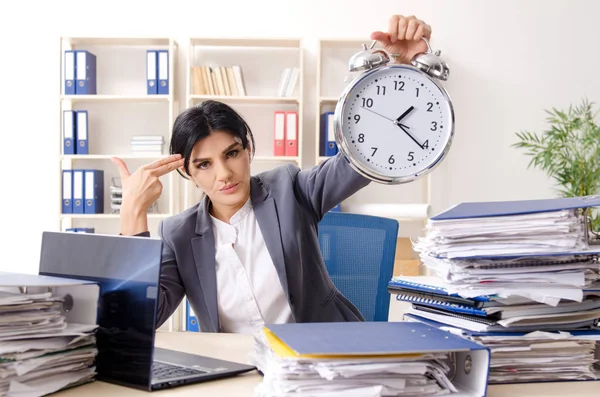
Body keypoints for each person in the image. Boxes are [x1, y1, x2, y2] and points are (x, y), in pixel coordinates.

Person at [112, 14, 433, 334]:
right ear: (189, 174)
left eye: (232, 153)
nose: (224, 173)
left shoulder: (290, 188)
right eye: (204, 164)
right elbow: (141, 320)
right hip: (239, 370)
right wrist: (132, 212)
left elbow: (360, 159)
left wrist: (396, 70)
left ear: (248, 150)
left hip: (323, 356)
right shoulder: (178, 234)